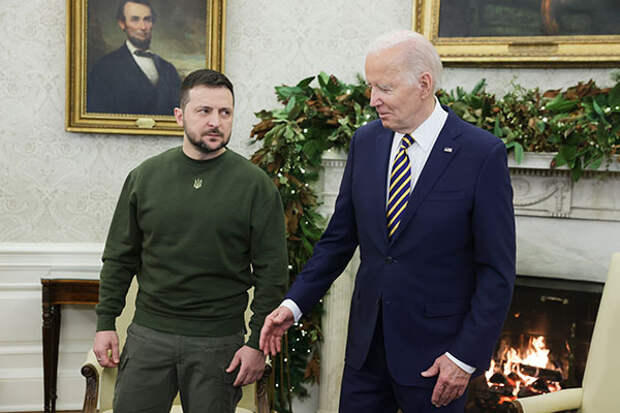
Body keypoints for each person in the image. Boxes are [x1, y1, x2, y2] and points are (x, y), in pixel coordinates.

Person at [260, 30, 516, 413]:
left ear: (424, 84)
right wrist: (294, 305)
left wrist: (464, 358)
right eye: (370, 86)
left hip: (438, 362)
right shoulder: (366, 142)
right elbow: (338, 240)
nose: (372, 99)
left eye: (384, 88)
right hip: (366, 355)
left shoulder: (481, 154)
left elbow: (496, 271)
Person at [93, 69, 288, 412]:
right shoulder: (145, 177)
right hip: (149, 337)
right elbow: (119, 258)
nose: (216, 121)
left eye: (225, 112)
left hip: (219, 344)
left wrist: (256, 343)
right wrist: (105, 322)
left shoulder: (256, 186)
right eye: (204, 111)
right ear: (179, 116)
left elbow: (272, 273)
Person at [87, 0, 181, 115]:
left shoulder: (169, 69)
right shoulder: (104, 67)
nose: (143, 27)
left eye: (147, 19)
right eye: (135, 19)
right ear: (122, 24)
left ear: (153, 23)